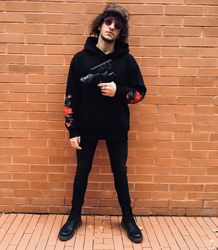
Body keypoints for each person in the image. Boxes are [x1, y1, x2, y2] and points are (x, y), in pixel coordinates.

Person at [59, 3, 147, 244]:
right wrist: (72, 129)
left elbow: (140, 93)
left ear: (121, 33)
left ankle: (127, 218)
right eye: (109, 22)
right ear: (100, 25)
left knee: (120, 172)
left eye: (118, 26)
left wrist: (119, 91)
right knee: (82, 172)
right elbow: (70, 96)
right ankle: (74, 216)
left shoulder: (127, 61)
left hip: (116, 128)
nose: (112, 28)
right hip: (86, 128)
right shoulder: (80, 59)